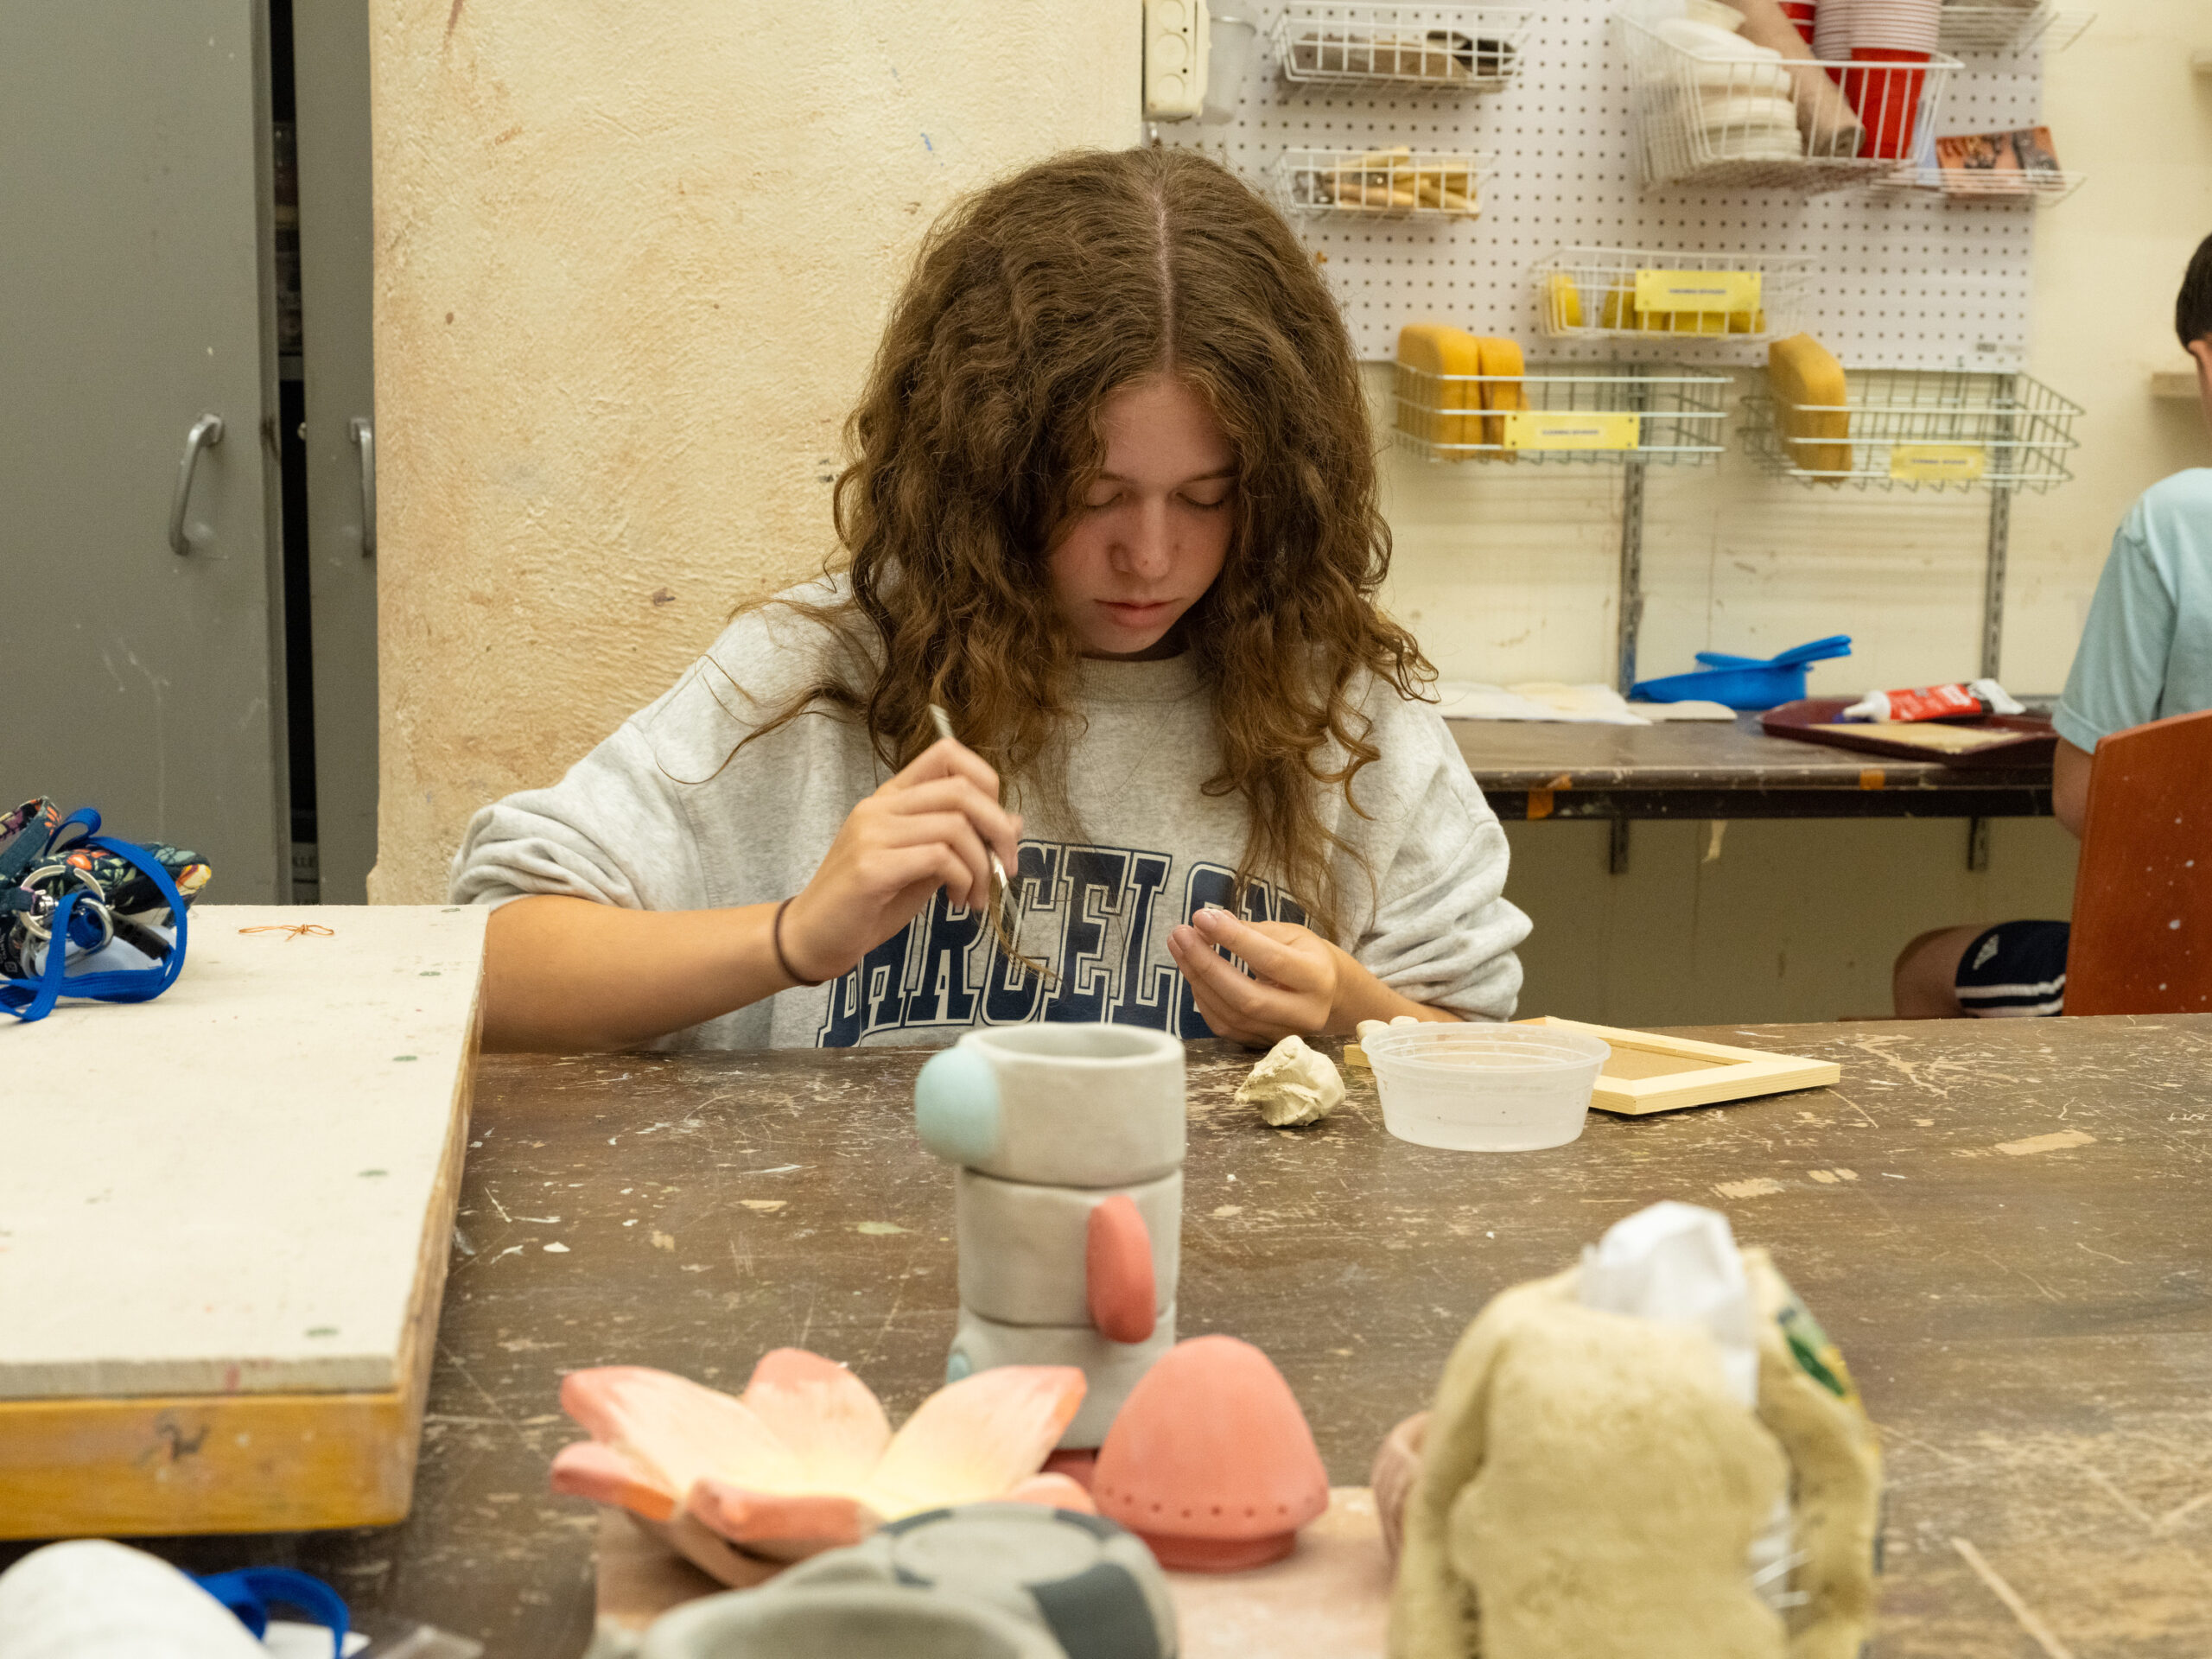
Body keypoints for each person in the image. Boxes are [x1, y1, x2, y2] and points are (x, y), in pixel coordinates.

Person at [453, 147, 1530, 1052]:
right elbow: (486, 968)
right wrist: (794, 938)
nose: (1150, 557)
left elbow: (1478, 1057)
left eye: (1206, 499)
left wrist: (1351, 1009)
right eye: (1094, 497)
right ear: (987, 474)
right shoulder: (822, 672)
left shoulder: (1338, 713)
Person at [1892, 232, 2212, 1017]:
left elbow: (2087, 800)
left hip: (2179, 982)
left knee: (1921, 963)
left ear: (2208, 362)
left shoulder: (2179, 518)